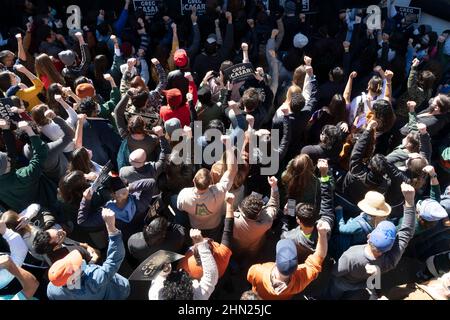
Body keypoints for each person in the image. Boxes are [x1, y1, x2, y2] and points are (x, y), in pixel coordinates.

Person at [326, 183, 417, 300]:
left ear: (369, 237)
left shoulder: (351, 255)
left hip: (341, 284)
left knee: (333, 294)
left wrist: (409, 201)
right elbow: (407, 232)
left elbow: (335, 272)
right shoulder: (390, 262)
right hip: (360, 285)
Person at [47, 208, 130, 300]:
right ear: (77, 276)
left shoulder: (52, 290)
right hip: (118, 293)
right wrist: (111, 229)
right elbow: (113, 261)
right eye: (76, 265)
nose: (81, 260)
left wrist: (90, 263)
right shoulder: (95, 278)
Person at [247, 220, 330, 300]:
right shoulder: (301, 279)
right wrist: (322, 234)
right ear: (296, 266)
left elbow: (249, 277)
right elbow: (320, 256)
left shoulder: (258, 271)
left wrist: (322, 234)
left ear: (276, 261)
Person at [177, 135, 237, 241]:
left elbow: (179, 207)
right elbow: (232, 170)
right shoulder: (219, 191)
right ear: (210, 183)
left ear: (193, 181)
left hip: (195, 226)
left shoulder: (184, 195)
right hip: (215, 225)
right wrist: (229, 145)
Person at [281, 159, 335, 263]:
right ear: (317, 219)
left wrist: (285, 217)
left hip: (292, 203)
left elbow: (285, 227)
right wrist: (325, 174)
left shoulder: (287, 237)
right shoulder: (324, 232)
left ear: (298, 220)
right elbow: (327, 202)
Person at [148, 229, 219, 300]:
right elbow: (211, 274)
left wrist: (163, 274)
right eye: (188, 281)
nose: (181, 269)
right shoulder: (155, 295)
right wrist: (201, 244)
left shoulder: (156, 294)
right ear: (190, 292)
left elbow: (211, 276)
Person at [232, 176, 279, 256]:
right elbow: (274, 205)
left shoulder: (233, 219)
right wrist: (274, 187)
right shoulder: (266, 222)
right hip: (254, 248)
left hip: (236, 247)